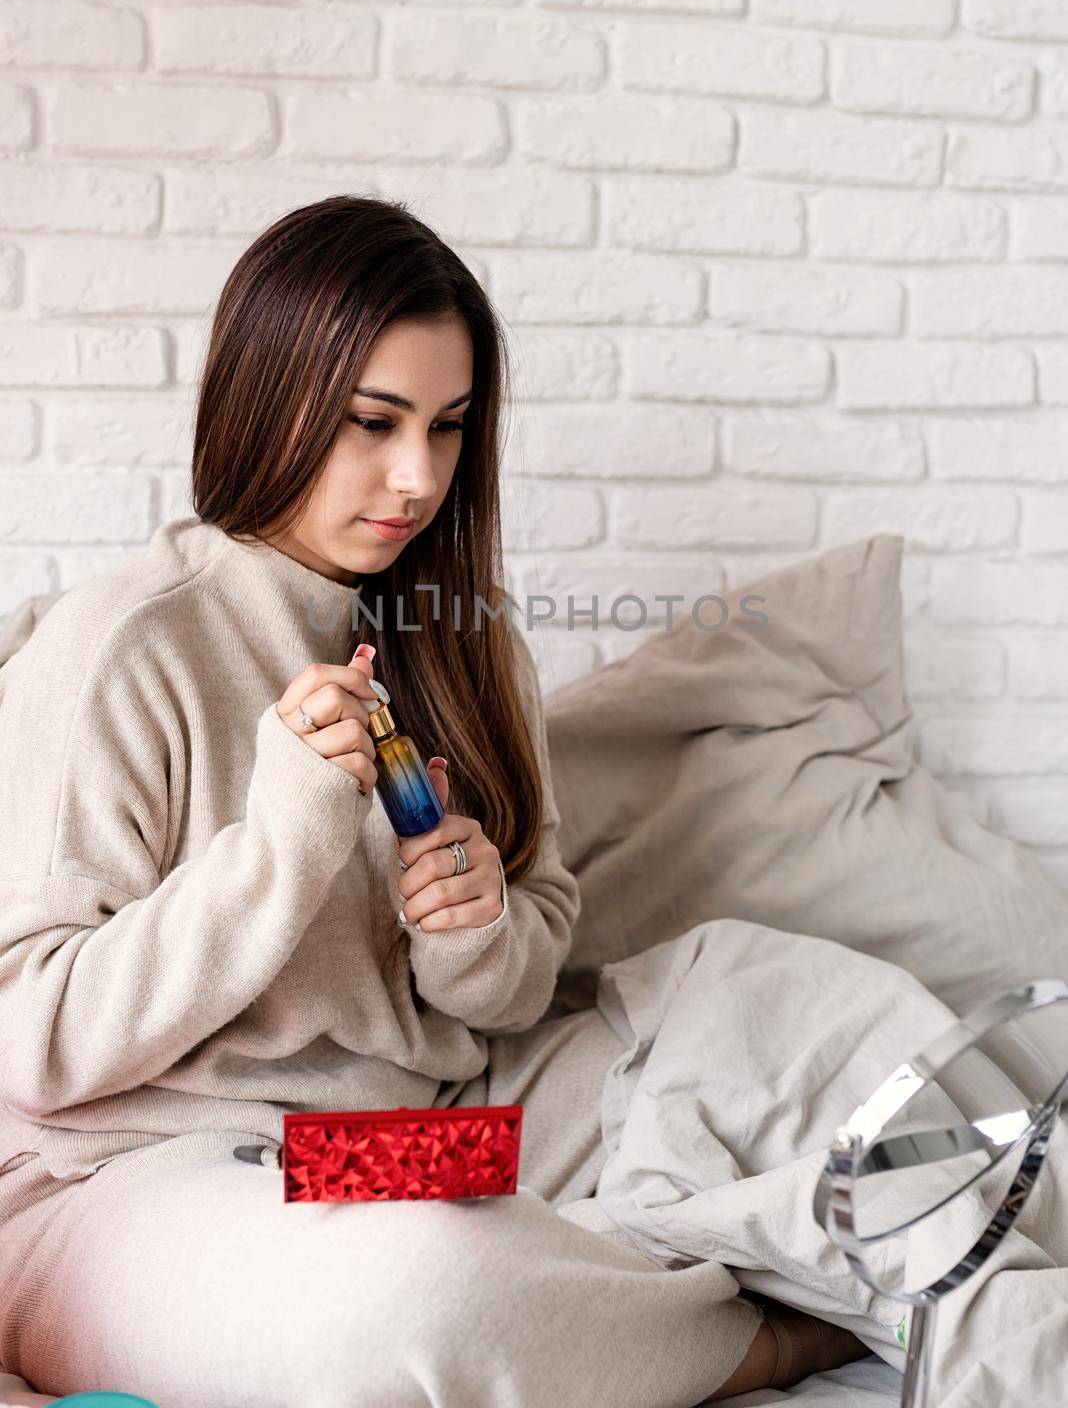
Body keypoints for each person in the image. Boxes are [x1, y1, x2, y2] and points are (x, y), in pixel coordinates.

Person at [0, 197, 868, 1405]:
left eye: (449, 428)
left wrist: (475, 933)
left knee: (800, 1011)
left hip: (400, 1141)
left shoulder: (471, 645)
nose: (417, 478)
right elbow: (31, 1046)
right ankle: (772, 1329)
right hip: (143, 1181)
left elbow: (514, 988)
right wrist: (281, 848)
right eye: (374, 422)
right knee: (426, 1289)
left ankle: (625, 1275)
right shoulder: (121, 646)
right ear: (267, 396)